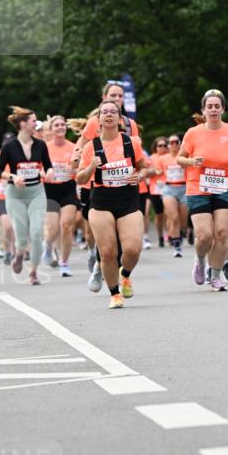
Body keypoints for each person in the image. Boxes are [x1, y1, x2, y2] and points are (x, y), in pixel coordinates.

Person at [76, 99, 146, 309]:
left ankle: (125, 275)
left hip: (128, 199)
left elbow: (143, 168)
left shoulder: (131, 142)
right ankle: (114, 293)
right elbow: (80, 178)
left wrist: (140, 176)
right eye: (104, 112)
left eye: (112, 112)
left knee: (132, 249)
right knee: (107, 252)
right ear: (98, 119)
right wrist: (90, 168)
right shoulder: (91, 147)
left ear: (119, 117)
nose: (108, 115)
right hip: (101, 201)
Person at [177, 90, 228, 291]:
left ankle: (215, 275)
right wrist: (191, 161)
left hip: (224, 187)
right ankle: (200, 260)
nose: (213, 110)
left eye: (217, 106)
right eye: (210, 106)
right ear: (203, 110)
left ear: (223, 109)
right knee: (205, 235)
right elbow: (179, 158)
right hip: (198, 187)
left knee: (223, 233)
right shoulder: (193, 133)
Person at [0, 107, 54, 285]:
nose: (36, 123)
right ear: (22, 124)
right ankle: (19, 253)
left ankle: (33, 272)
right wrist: (13, 176)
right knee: (21, 235)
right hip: (16, 194)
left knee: (36, 232)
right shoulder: (9, 146)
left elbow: (48, 165)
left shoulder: (40, 145)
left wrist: (49, 172)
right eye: (33, 121)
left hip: (36, 191)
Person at [42, 115, 79, 276]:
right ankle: (48, 246)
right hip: (50, 190)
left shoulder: (73, 147)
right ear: (51, 129)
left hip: (68, 188)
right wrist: (44, 172)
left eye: (62, 124)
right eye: (56, 125)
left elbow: (79, 167)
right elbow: (37, 166)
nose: (60, 127)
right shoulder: (44, 147)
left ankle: (64, 262)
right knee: (52, 228)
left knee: (66, 225)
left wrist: (76, 170)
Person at [159, 134, 187, 257]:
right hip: (169, 188)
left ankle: (183, 232)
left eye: (176, 142)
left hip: (184, 188)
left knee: (183, 218)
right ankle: (177, 245)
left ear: (180, 144)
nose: (174, 144)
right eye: (171, 142)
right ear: (168, 145)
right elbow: (157, 171)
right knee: (173, 217)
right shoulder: (163, 158)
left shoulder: (185, 156)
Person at [147, 137, 168, 247]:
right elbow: (146, 172)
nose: (162, 148)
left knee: (169, 213)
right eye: (160, 146)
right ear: (155, 147)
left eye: (164, 145)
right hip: (155, 189)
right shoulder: (151, 158)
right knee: (159, 214)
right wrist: (154, 172)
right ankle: (160, 235)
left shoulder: (169, 157)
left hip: (168, 188)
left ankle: (167, 233)